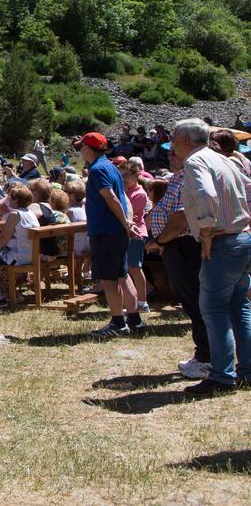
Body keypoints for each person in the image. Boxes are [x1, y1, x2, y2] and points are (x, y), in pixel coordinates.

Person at [172, 118, 251, 395]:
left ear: (184, 140)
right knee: (239, 306)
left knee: (214, 311)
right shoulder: (226, 159)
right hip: (241, 237)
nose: (171, 144)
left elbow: (205, 194)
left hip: (221, 241)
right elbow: (247, 190)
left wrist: (206, 231)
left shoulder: (196, 162)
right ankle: (247, 371)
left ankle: (222, 376)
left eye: (173, 138)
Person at [146, 157, 211, 380]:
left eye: (174, 151)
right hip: (179, 244)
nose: (170, 156)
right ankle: (204, 354)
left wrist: (161, 241)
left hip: (183, 244)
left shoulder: (189, 174)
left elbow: (182, 217)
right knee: (193, 302)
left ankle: (206, 358)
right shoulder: (182, 174)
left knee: (196, 302)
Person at [78, 133, 142, 341]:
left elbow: (111, 197)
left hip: (106, 231)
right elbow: (121, 197)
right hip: (115, 231)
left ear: (88, 149)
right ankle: (134, 320)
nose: (80, 152)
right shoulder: (112, 167)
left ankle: (118, 322)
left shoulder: (97, 170)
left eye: (81, 148)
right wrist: (127, 223)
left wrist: (125, 223)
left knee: (108, 280)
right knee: (122, 275)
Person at [0, 185, 40, 307]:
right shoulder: (30, 213)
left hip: (17, 255)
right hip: (30, 254)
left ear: (15, 199)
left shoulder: (15, 215)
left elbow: (3, 239)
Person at [118, 158, 151, 312]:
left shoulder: (140, 194)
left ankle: (142, 301)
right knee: (126, 267)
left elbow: (129, 212)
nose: (123, 179)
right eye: (121, 175)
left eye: (126, 176)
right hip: (124, 233)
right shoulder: (124, 190)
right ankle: (130, 300)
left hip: (136, 233)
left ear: (136, 175)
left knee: (135, 267)